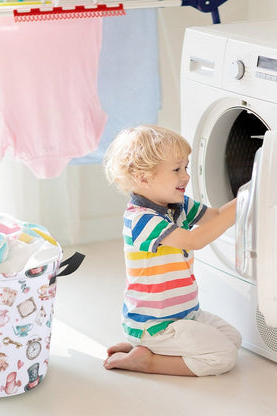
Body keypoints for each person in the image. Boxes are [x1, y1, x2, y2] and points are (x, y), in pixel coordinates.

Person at [103, 125, 241, 377]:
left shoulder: (177, 205)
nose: (186, 176)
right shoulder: (141, 219)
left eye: (185, 167)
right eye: (177, 169)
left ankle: (145, 348)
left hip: (185, 314)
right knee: (223, 356)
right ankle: (147, 360)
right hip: (155, 323)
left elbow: (216, 216)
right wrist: (244, 201)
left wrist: (248, 195)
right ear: (143, 178)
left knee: (234, 339)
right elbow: (193, 240)